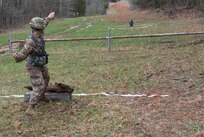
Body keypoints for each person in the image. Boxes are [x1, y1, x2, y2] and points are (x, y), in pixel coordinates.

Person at [12, 12, 55, 115]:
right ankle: (30, 108)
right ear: (37, 29)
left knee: (46, 78)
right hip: (33, 66)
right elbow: (22, 55)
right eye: (41, 28)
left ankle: (42, 96)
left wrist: (49, 17)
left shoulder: (40, 33)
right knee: (39, 85)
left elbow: (45, 22)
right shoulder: (30, 42)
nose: (42, 29)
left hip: (40, 64)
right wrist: (17, 56)